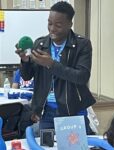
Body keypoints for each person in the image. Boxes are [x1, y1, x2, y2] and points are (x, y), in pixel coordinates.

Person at [15, 1, 96, 135]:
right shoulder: (40, 44)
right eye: (49, 23)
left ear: (70, 24)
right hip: (47, 112)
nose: (52, 29)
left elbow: (82, 77)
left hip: (73, 111)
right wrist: (25, 61)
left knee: (74, 147)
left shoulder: (82, 44)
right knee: (46, 147)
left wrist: (51, 64)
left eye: (58, 25)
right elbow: (27, 76)